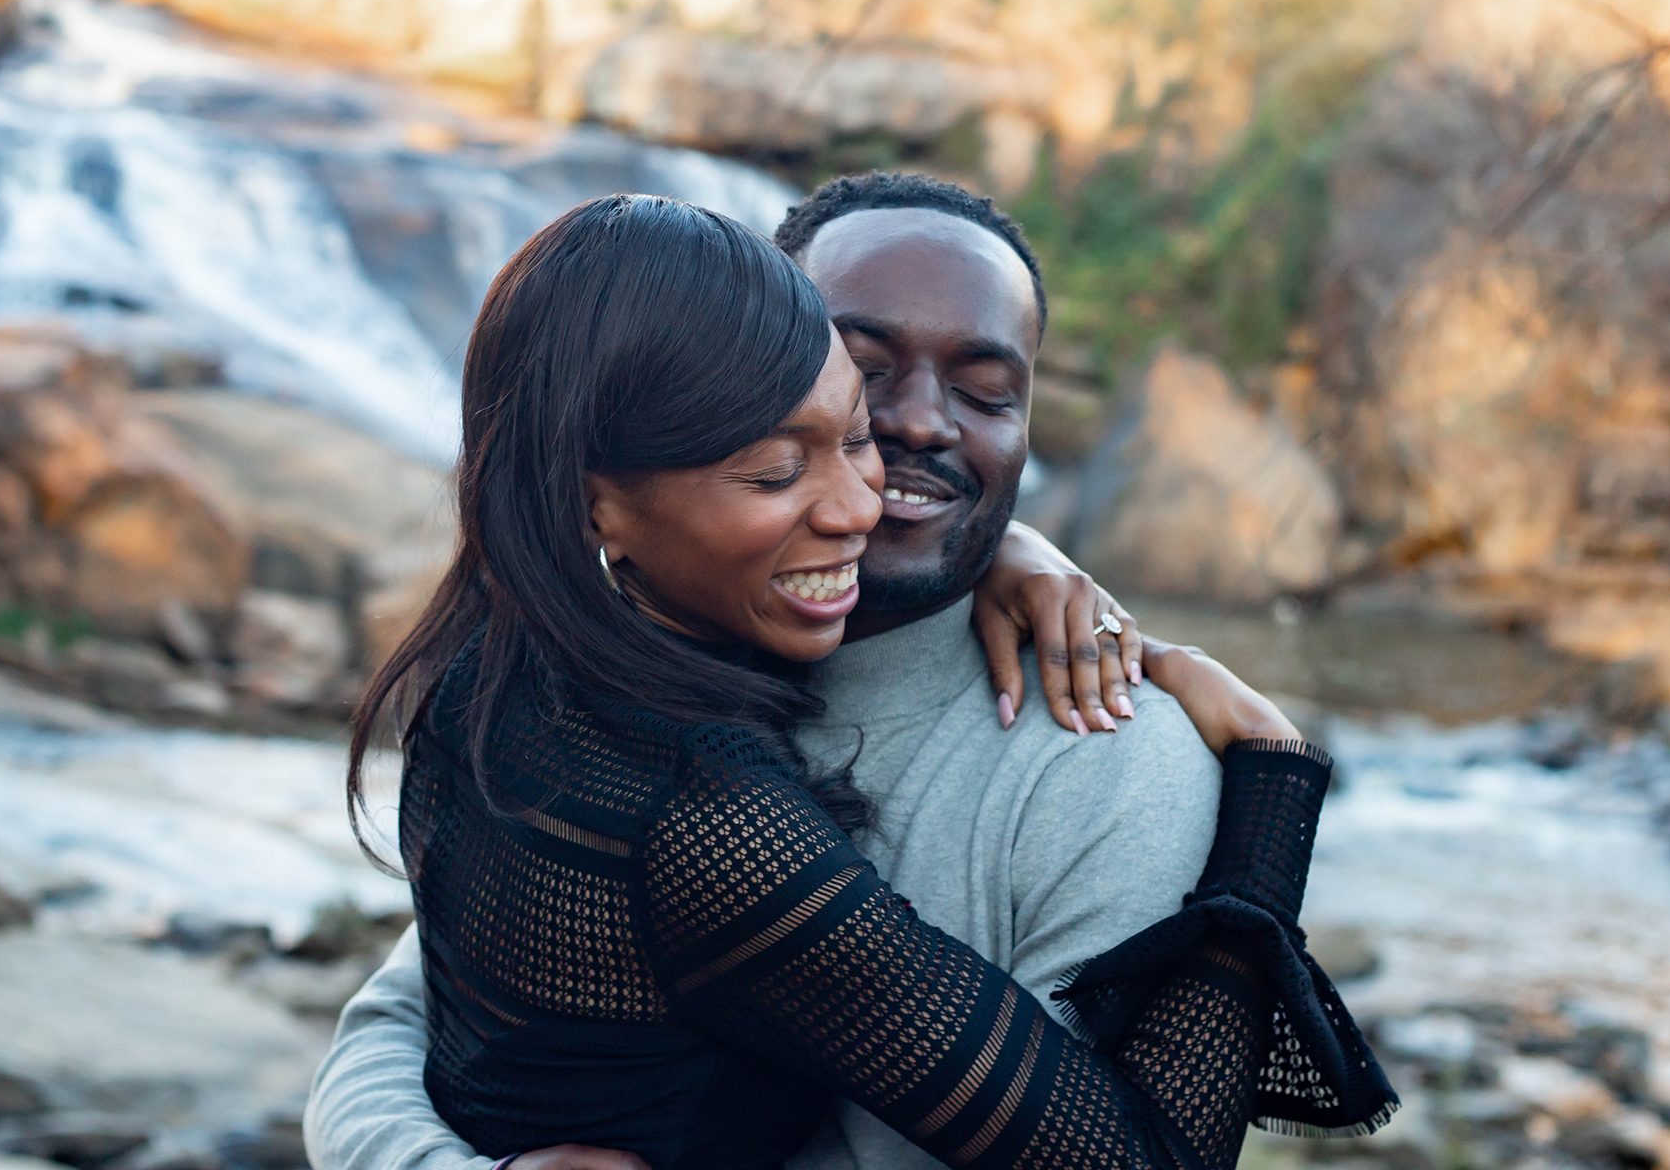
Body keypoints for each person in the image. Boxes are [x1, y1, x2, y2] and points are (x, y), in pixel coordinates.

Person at [307, 178, 1397, 1170]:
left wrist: (1016, 550)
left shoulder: (506, 659)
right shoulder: (686, 779)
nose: (877, 476)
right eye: (861, 388)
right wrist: (1274, 791)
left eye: (980, 391)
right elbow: (408, 1007)